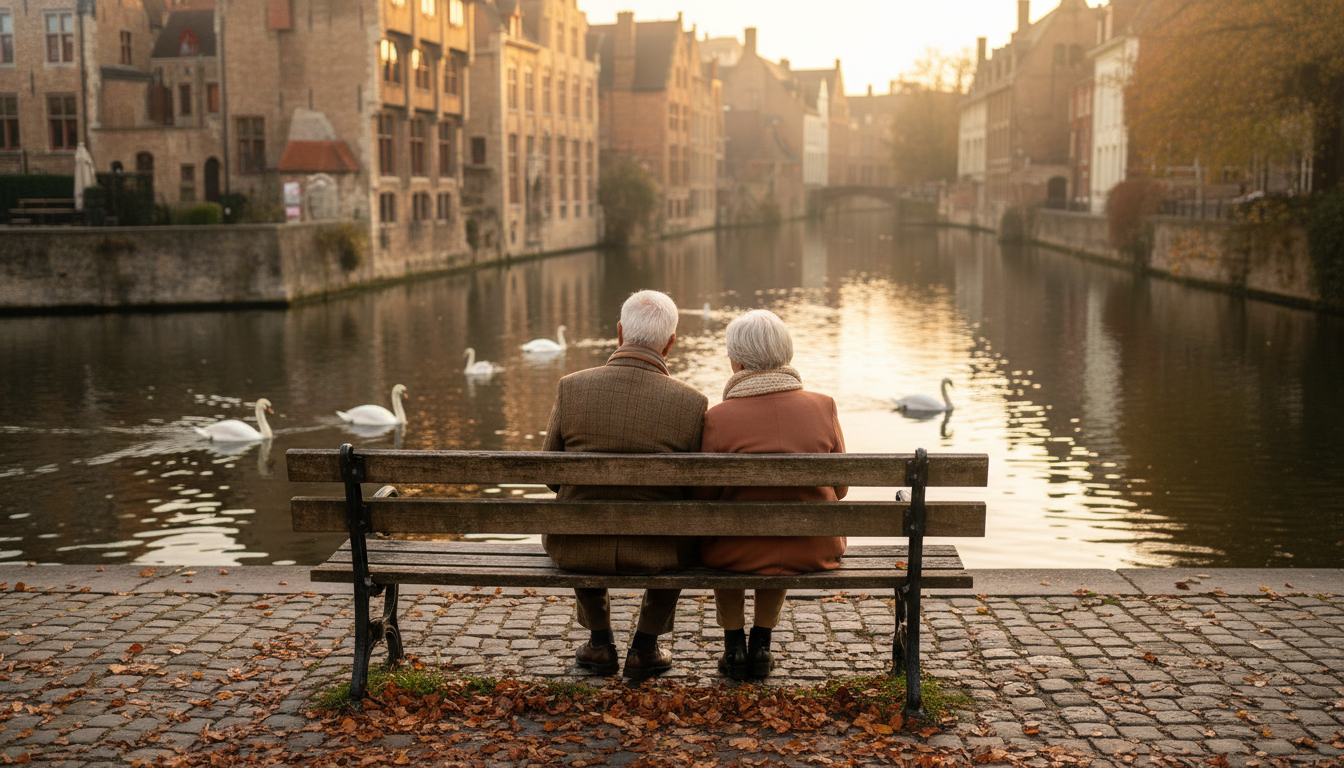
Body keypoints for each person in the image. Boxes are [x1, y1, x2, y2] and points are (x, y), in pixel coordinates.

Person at [541, 290, 709, 680]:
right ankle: (645, 647)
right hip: (660, 548)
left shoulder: (571, 387)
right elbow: (697, 492)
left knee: (577, 512)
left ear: (619, 333)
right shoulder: (692, 403)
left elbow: (551, 475)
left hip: (577, 544)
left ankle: (600, 643)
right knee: (683, 526)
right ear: (670, 343)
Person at [697, 309, 848, 680]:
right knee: (786, 522)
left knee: (724, 530)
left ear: (736, 361)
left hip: (734, 552)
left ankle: (734, 646)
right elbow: (841, 488)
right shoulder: (824, 406)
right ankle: (762, 643)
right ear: (787, 354)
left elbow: (704, 496)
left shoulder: (718, 417)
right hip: (812, 547)